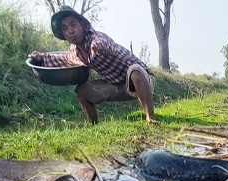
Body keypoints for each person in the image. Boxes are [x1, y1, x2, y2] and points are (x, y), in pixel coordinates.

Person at [28, 7, 157, 124]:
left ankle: (150, 117)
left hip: (143, 81)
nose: (70, 31)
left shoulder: (97, 37)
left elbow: (103, 42)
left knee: (135, 72)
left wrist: (97, 46)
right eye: (65, 28)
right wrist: (40, 57)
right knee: (82, 91)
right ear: (63, 34)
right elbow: (60, 59)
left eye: (73, 24)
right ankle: (94, 125)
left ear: (82, 24)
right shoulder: (75, 52)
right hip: (118, 87)